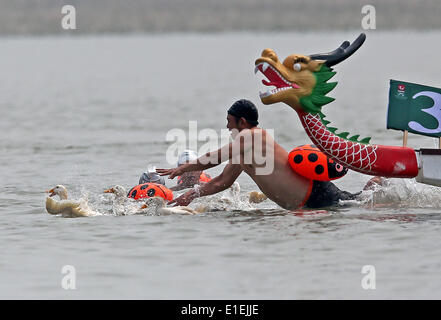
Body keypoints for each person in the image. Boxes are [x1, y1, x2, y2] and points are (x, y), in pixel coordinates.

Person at [157, 99, 362, 209]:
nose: (227, 126)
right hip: (305, 205)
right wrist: (190, 196)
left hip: (319, 196)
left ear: (242, 122)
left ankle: (378, 182)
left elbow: (217, 157)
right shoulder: (244, 151)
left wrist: (183, 167)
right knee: (360, 200)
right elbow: (222, 181)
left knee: (362, 204)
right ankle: (376, 186)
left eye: (229, 121)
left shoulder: (253, 136)